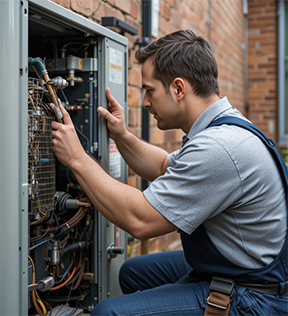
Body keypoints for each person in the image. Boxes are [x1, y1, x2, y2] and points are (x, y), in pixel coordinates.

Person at [51, 30, 288, 315]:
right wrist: (122, 135)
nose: (145, 102)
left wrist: (77, 158)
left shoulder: (220, 148)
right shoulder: (224, 128)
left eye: (149, 90)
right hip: (243, 268)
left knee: (107, 312)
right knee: (132, 272)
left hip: (255, 296)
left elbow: (139, 220)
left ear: (178, 88)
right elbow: (164, 166)